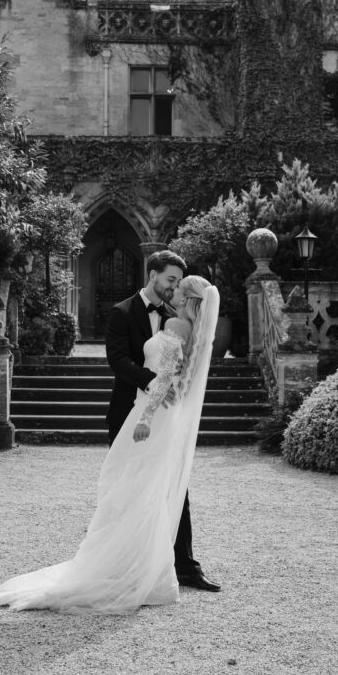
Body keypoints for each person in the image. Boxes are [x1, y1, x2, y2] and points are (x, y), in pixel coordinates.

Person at [0, 273, 220, 615]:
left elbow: (166, 376)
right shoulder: (194, 333)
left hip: (150, 415)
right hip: (161, 414)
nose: (176, 295)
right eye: (172, 285)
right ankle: (145, 569)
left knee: (131, 487)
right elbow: (166, 377)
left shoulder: (175, 324)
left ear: (190, 301)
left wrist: (144, 418)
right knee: (146, 489)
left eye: (181, 292)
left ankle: (130, 567)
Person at [105, 250, 221, 593]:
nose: (173, 287)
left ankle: (184, 565)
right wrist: (152, 382)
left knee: (175, 487)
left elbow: (182, 364)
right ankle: (126, 560)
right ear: (152, 274)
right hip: (128, 409)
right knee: (129, 487)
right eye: (170, 279)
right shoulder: (121, 312)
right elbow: (116, 360)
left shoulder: (179, 316)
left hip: (164, 413)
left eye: (177, 282)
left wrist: (172, 388)